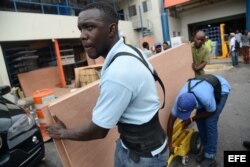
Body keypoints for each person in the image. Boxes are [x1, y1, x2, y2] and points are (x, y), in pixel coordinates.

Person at [46, 2, 168, 167]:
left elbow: (99, 130)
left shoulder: (119, 72)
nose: (82, 35)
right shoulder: (130, 50)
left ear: (111, 29)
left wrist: (64, 132)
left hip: (144, 158)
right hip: (131, 146)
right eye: (81, 28)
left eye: (90, 27)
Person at [167, 74, 231, 167]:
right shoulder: (180, 99)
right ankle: (205, 148)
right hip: (204, 87)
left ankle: (210, 156)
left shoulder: (206, 98)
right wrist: (169, 143)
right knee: (200, 120)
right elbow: (170, 121)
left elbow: (210, 112)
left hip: (220, 89)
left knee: (210, 122)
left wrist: (192, 118)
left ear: (194, 105)